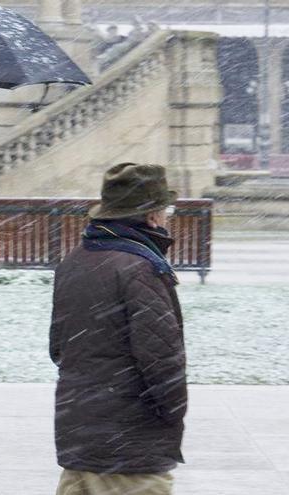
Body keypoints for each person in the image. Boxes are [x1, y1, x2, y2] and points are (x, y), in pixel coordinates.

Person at [49, 162, 188, 495]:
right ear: (152, 216)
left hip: (79, 436)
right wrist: (172, 415)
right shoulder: (142, 269)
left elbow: (58, 349)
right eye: (166, 210)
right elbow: (162, 364)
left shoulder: (74, 261)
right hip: (130, 450)